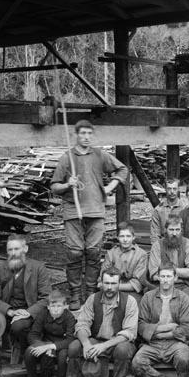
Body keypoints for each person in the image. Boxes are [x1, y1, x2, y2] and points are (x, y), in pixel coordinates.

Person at [50, 120, 128, 309]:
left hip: (95, 211)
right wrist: (68, 184)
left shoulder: (100, 155)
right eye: (82, 133)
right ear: (76, 135)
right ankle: (75, 294)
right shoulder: (67, 158)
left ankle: (91, 292)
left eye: (89, 133)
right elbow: (54, 187)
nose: (85, 137)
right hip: (73, 212)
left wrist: (110, 186)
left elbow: (122, 169)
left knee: (93, 253)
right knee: (75, 253)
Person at [58, 266, 139, 377]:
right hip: (96, 340)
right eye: (106, 283)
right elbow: (82, 324)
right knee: (74, 347)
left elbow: (129, 332)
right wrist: (86, 344)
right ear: (101, 283)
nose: (109, 288)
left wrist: (104, 346)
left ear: (119, 284)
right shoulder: (93, 299)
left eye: (113, 284)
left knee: (123, 349)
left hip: (117, 343)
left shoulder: (129, 301)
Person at [0, 234, 51, 376]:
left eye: (16, 249)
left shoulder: (38, 268)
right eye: (10, 250)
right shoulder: (0, 270)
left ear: (25, 249)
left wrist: (28, 312)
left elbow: (46, 298)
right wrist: (9, 311)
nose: (13, 253)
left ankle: (27, 359)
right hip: (8, 313)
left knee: (19, 326)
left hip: (30, 313)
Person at [132, 264, 189, 377]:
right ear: (158, 277)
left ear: (175, 278)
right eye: (163, 276)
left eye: (169, 276)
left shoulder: (183, 298)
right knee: (137, 362)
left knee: (183, 358)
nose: (165, 280)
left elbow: (187, 328)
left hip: (175, 343)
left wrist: (156, 331)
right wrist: (168, 328)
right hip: (152, 343)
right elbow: (141, 325)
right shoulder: (148, 297)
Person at [147, 214, 189, 342]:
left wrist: (170, 271)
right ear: (165, 230)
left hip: (182, 286)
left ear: (181, 230)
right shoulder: (157, 246)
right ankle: (154, 338)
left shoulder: (188, 244)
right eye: (171, 230)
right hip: (160, 285)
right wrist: (171, 275)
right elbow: (154, 274)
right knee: (151, 308)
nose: (174, 233)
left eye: (177, 230)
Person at [23, 289, 76, 377]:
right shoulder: (43, 314)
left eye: (59, 306)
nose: (56, 309)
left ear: (65, 306)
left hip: (61, 345)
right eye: (53, 306)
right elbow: (33, 334)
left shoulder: (69, 317)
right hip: (45, 343)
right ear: (48, 307)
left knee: (63, 356)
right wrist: (43, 345)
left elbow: (70, 339)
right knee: (29, 351)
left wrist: (52, 347)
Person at [101, 221, 148, 304]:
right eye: (122, 236)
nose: (125, 240)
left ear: (133, 237)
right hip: (110, 291)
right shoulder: (111, 253)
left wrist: (113, 286)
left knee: (129, 304)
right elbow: (104, 277)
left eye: (128, 236)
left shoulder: (141, 255)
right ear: (117, 237)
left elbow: (136, 284)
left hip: (132, 293)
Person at [150, 177, 189, 246]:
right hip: (164, 244)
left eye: (174, 189)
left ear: (178, 189)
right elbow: (155, 235)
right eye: (169, 189)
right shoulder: (158, 210)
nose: (172, 191)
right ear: (165, 189)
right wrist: (156, 249)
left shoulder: (185, 208)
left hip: (181, 245)